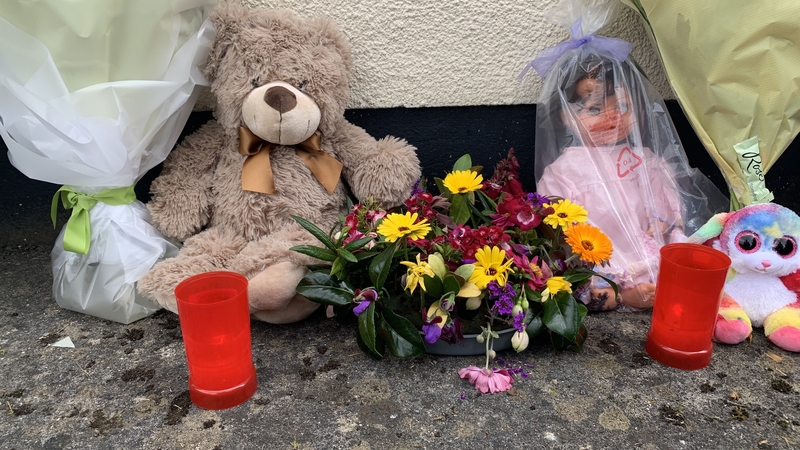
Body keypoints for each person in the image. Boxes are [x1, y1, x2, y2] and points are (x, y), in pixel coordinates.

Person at [535, 53, 723, 311]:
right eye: (594, 110)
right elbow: (563, 231)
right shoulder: (563, 173)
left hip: (655, 259)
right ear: (567, 117)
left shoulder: (646, 160)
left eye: (622, 107)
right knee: (584, 289)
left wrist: (663, 219)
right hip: (605, 266)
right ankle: (624, 296)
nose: (612, 118)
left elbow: (669, 203)